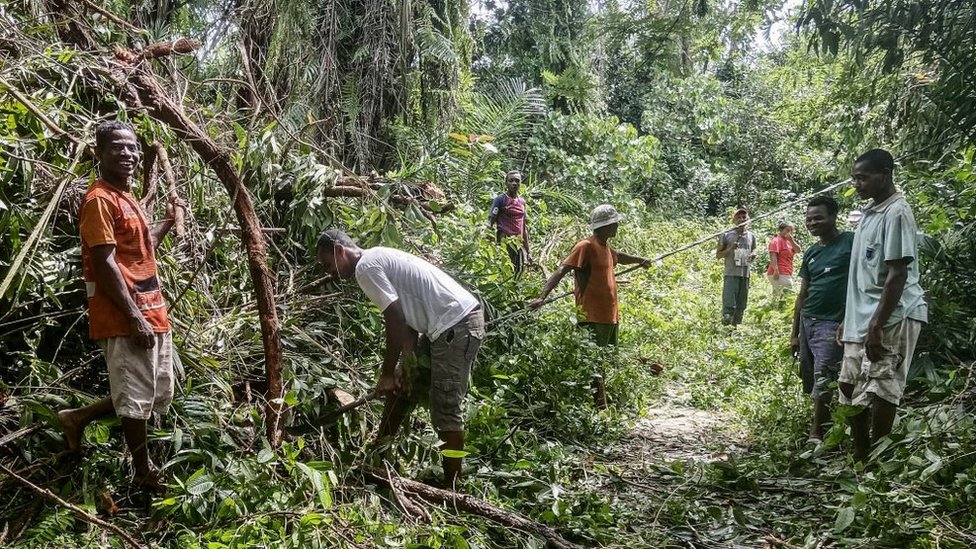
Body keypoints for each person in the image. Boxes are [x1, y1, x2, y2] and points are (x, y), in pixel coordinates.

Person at [57, 121, 185, 490]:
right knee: (134, 399)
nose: (128, 154)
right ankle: (143, 474)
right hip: (126, 314)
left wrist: (168, 218)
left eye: (132, 148)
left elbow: (140, 248)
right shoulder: (99, 199)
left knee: (154, 392)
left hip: (153, 308)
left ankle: (77, 417)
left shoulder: (126, 196)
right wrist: (134, 318)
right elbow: (104, 262)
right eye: (118, 148)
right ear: (99, 153)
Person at [316, 230, 484, 487]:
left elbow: (394, 318)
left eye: (329, 264)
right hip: (443, 326)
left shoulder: (365, 268)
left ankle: (452, 490)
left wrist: (385, 374)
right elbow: (406, 322)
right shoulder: (376, 258)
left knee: (445, 406)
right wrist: (406, 364)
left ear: (341, 250)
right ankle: (376, 461)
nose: (331, 272)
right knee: (402, 390)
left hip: (455, 325)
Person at [838, 148, 927, 462]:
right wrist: (848, 320)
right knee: (849, 386)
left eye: (863, 177)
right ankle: (861, 457)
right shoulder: (868, 214)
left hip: (892, 315)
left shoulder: (897, 212)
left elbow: (897, 273)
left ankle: (878, 462)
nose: (858, 184)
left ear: (885, 174)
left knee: (882, 387)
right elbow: (862, 275)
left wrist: (876, 323)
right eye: (855, 178)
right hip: (860, 317)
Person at [529, 204, 650, 408]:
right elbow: (561, 271)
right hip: (592, 315)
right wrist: (542, 297)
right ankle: (598, 404)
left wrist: (641, 260)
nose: (617, 226)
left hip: (609, 315)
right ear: (606, 226)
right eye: (614, 223)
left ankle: (600, 400)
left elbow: (619, 257)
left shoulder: (606, 248)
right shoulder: (585, 246)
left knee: (603, 358)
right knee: (595, 361)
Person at [790, 195, 854, 442]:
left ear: (833, 217)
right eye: (808, 219)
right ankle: (822, 421)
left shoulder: (850, 242)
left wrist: (850, 317)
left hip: (833, 321)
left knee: (823, 374)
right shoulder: (812, 252)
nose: (812, 223)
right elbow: (803, 294)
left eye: (818, 217)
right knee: (810, 373)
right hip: (808, 320)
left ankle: (816, 432)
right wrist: (794, 333)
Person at [715, 207, 757, 326]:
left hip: (745, 274)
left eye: (744, 217)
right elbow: (718, 255)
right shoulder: (727, 235)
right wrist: (730, 249)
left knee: (741, 305)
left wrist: (753, 254)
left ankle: (735, 330)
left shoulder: (751, 236)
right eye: (738, 217)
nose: (741, 219)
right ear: (734, 220)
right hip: (731, 273)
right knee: (729, 304)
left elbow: (754, 249)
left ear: (748, 219)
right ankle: (725, 329)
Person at [488, 170, 532, 275]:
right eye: (511, 181)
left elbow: (523, 227)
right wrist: (487, 241)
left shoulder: (522, 202)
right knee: (503, 271)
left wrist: (528, 251)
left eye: (517, 181)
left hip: (518, 244)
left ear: (520, 183)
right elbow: (490, 221)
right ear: (506, 183)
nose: (514, 183)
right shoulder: (500, 200)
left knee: (518, 272)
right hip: (505, 242)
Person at [767, 221, 801, 297]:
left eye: (791, 230)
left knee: (778, 296)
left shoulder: (789, 241)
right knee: (789, 294)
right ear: (781, 230)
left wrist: (792, 240)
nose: (789, 232)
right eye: (787, 230)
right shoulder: (776, 241)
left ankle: (775, 308)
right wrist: (776, 270)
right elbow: (773, 256)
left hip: (786, 272)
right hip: (779, 272)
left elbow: (798, 250)